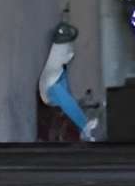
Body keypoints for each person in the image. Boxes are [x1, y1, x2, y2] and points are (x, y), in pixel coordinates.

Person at [38, 9, 96, 140]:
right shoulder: (63, 54)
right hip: (48, 92)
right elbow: (68, 56)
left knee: (64, 87)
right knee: (65, 99)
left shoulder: (58, 48)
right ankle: (84, 125)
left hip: (54, 77)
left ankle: (82, 123)